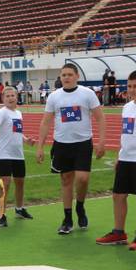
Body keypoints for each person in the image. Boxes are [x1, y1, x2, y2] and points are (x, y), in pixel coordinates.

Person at [36, 63, 106, 235]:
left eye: (69, 74)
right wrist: (40, 146)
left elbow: (100, 118)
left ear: (77, 76)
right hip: (62, 144)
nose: (66, 77)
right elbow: (46, 122)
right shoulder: (54, 97)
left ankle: (80, 207)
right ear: (60, 78)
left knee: (82, 179)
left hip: (82, 143)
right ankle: (67, 219)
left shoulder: (87, 94)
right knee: (66, 180)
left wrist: (101, 142)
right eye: (63, 75)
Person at [96, 71, 136, 251]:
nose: (132, 90)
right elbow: (126, 133)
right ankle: (119, 233)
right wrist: (120, 156)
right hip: (126, 158)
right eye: (129, 86)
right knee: (118, 196)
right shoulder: (127, 107)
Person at [0, 86, 36, 226]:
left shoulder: (18, 113)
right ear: (3, 99)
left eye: (12, 95)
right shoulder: (2, 112)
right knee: (5, 184)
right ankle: (1, 214)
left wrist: (26, 140)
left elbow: (17, 131)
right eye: (7, 96)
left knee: (20, 182)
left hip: (18, 154)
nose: (10, 98)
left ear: (16, 96)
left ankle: (19, 209)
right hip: (3, 153)